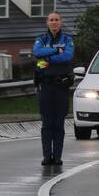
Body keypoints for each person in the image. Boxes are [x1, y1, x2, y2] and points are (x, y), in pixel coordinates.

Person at [32, 12, 75, 166]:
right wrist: (56, 51)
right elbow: (37, 53)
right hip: (45, 86)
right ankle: (46, 156)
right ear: (47, 22)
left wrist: (48, 59)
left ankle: (57, 157)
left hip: (61, 86)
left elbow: (67, 57)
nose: (54, 22)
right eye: (51, 20)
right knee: (47, 123)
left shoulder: (68, 40)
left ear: (61, 22)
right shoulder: (41, 39)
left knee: (59, 123)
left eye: (57, 20)